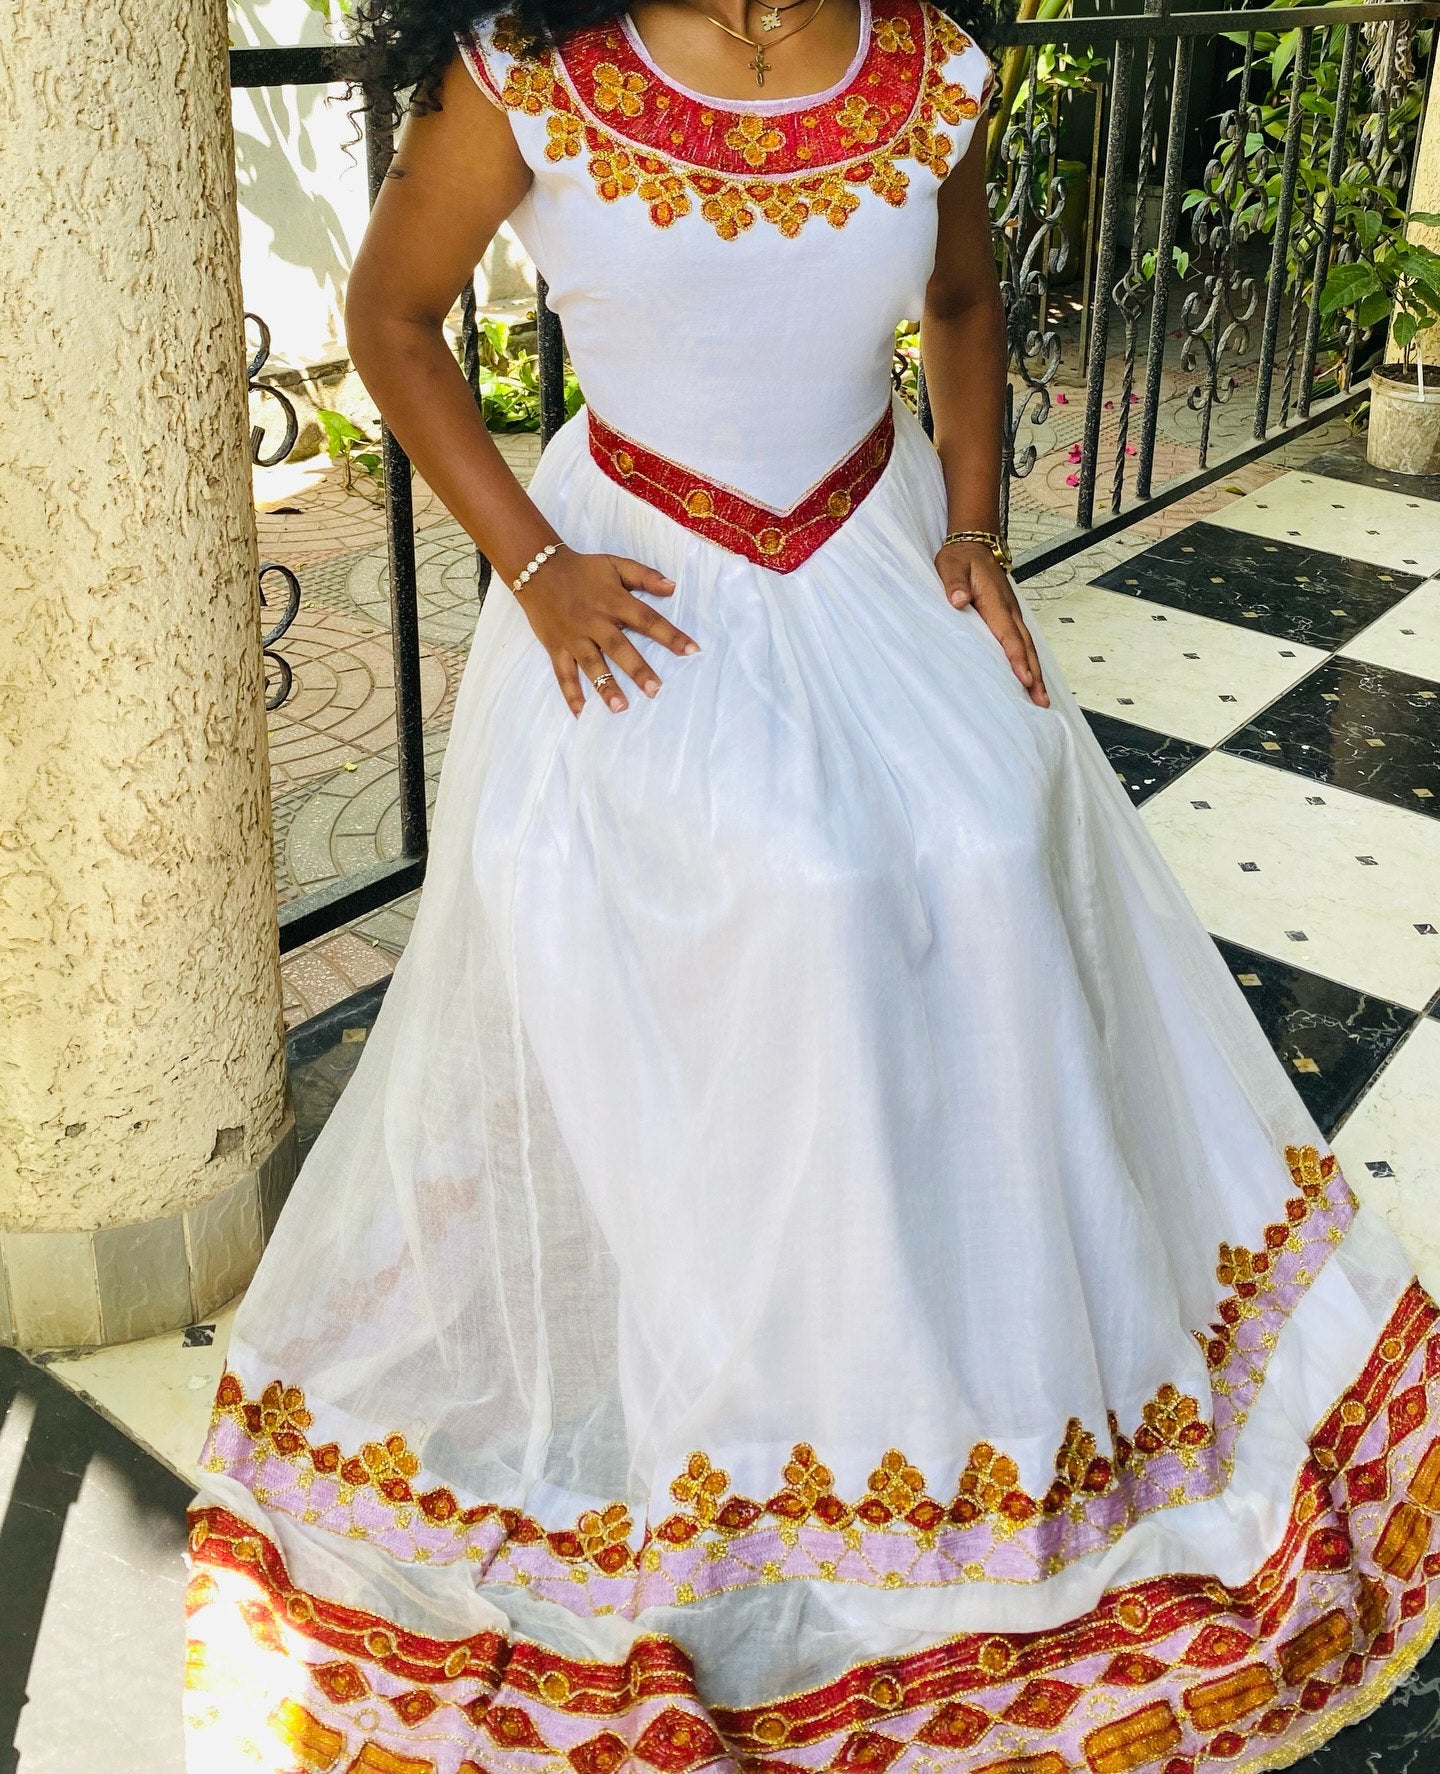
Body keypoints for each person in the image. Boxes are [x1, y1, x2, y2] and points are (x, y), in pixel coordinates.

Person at [182, 0, 1440, 1768]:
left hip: (872, 544)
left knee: (991, 824)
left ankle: (970, 1325)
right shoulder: (532, 68)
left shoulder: (930, 64)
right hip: (635, 577)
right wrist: (534, 567)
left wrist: (976, 525)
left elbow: (965, 302)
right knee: (794, 885)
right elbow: (388, 319)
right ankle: (775, 1377)